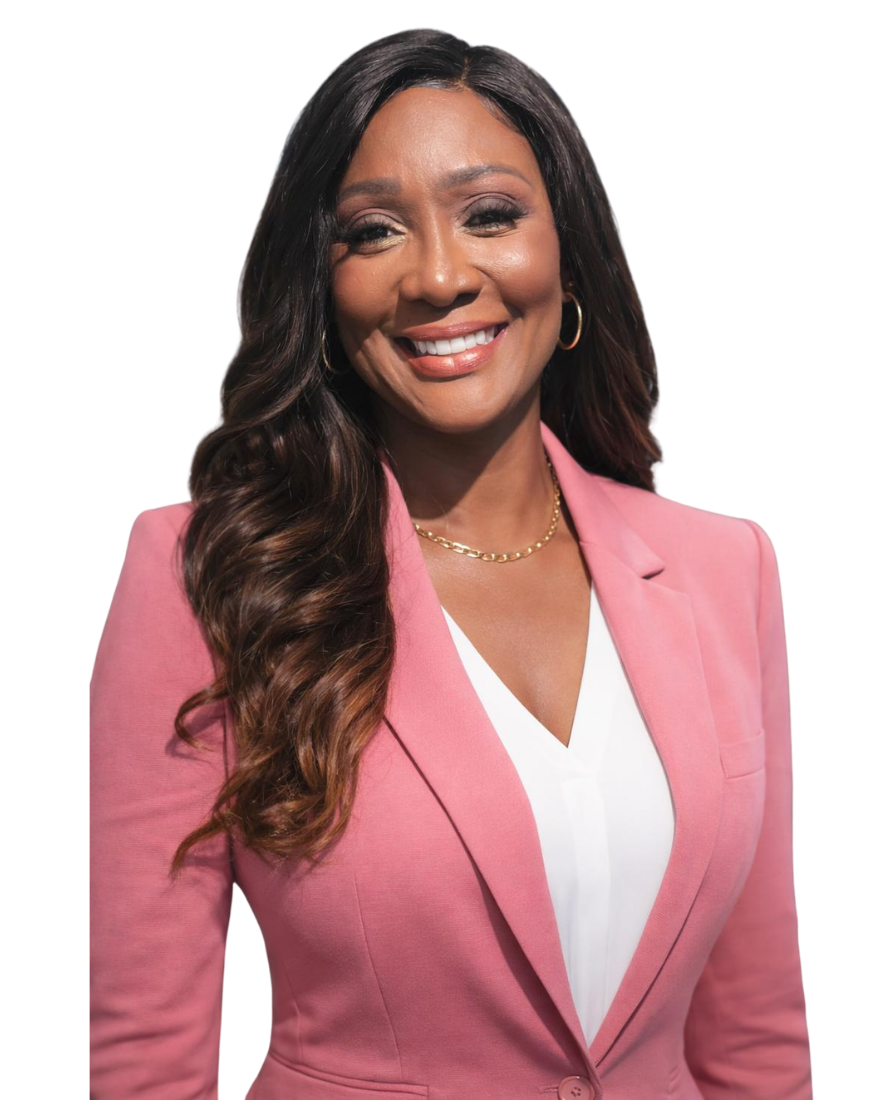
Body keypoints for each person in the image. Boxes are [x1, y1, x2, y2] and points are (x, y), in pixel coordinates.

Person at [89, 28, 812, 1100]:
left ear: (569, 253)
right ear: (322, 290)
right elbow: (148, 1049)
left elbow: (753, 1033)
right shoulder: (205, 572)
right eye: (373, 231)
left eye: (490, 214)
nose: (437, 275)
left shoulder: (726, 566)